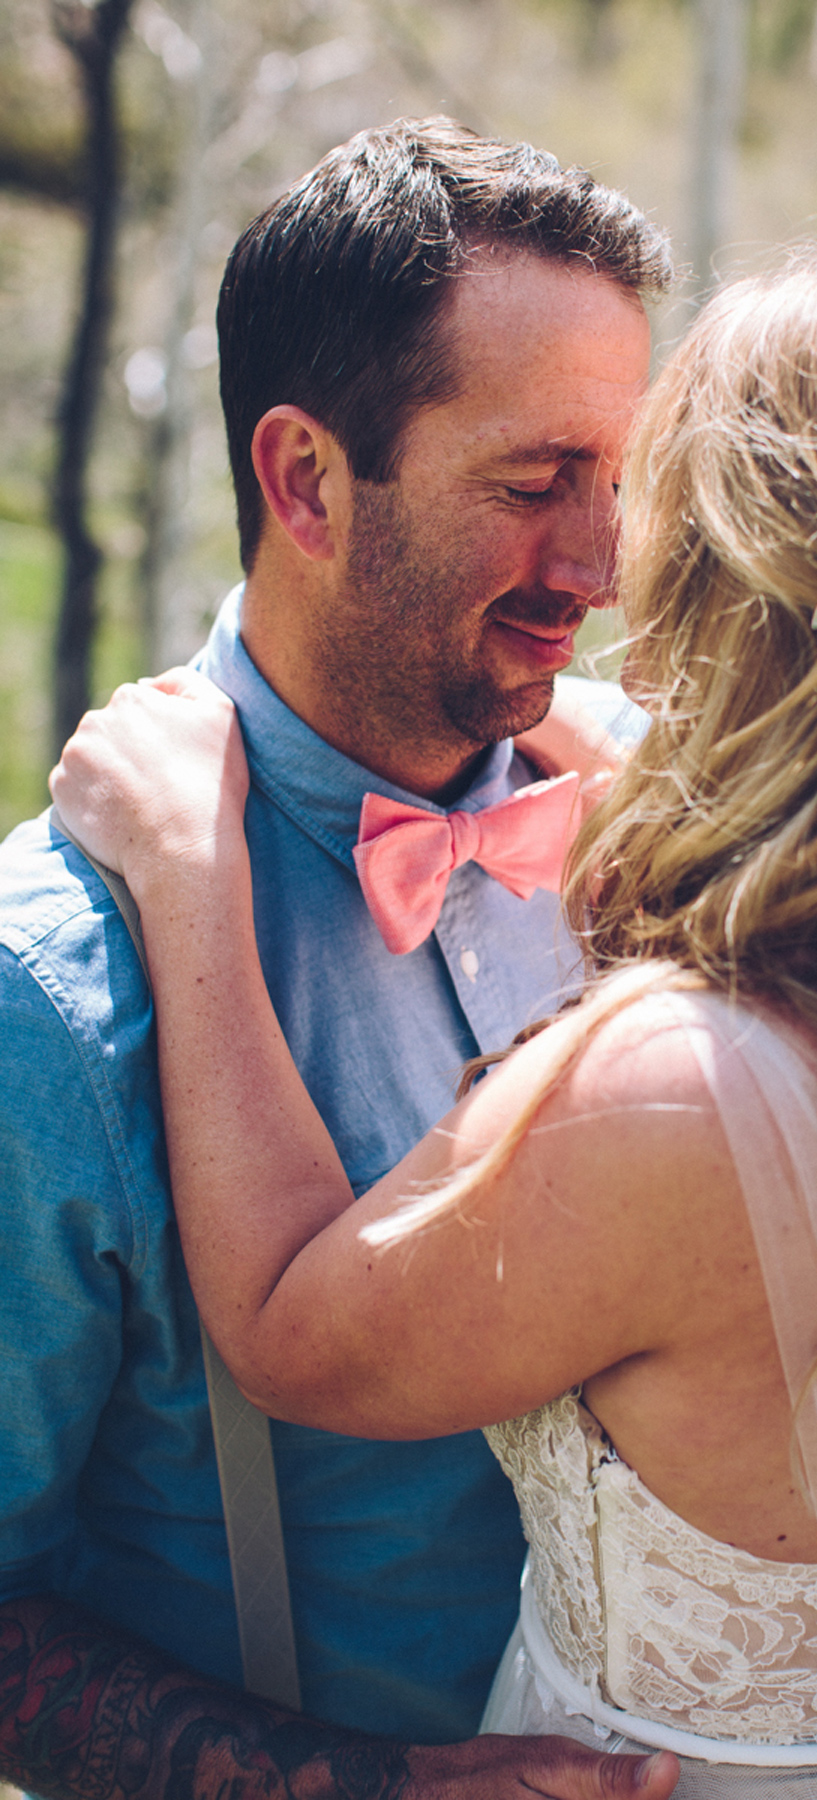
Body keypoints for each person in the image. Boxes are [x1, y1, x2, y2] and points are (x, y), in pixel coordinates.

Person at [49, 234, 817, 1797]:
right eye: (541, 483)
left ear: (780, 607)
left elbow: (288, 1331)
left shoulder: (674, 1084)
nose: (608, 569)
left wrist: (195, 880)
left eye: (646, 498)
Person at [0, 117, 683, 1800]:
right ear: (305, 479)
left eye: (619, 477)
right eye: (535, 485)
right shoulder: (55, 993)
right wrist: (353, 1788)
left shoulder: (658, 831)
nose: (600, 569)